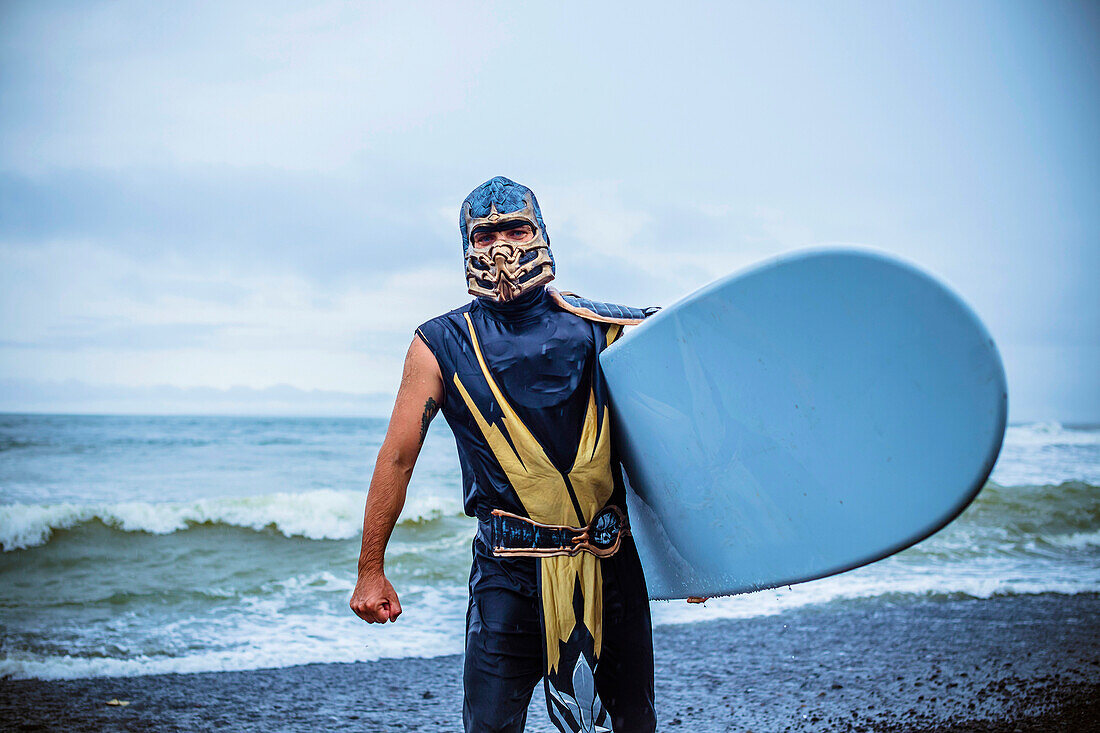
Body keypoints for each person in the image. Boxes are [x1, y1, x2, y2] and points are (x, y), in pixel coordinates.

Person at [350, 176, 658, 732]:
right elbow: (397, 458)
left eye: (516, 228)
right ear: (466, 245)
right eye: (486, 234)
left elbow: (675, 429)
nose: (502, 248)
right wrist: (370, 570)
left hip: (610, 563)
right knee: (490, 727)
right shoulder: (439, 344)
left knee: (632, 724)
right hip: (507, 575)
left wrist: (700, 553)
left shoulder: (605, 328)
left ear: (542, 232)